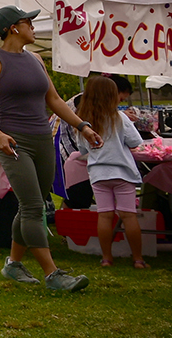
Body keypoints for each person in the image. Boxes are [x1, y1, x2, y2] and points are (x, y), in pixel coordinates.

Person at [0, 6, 98, 295]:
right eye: (28, 22)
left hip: (42, 140)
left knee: (32, 204)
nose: (33, 27)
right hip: (14, 142)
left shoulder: (36, 59)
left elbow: (54, 99)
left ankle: (13, 264)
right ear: (13, 28)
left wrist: (82, 126)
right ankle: (52, 273)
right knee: (33, 207)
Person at [61, 74, 148, 268]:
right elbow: (136, 142)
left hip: (98, 174)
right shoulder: (120, 118)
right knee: (128, 215)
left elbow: (82, 149)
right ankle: (138, 259)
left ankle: (106, 258)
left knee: (104, 216)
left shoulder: (83, 124)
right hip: (123, 173)